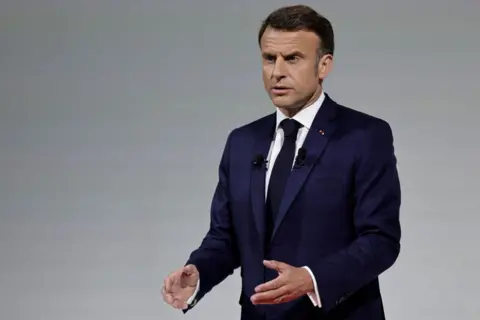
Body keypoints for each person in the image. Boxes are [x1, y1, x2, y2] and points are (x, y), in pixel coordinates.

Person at [162, 4, 401, 319]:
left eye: (293, 59)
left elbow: (380, 240)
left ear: (323, 65)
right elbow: (225, 235)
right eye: (268, 58)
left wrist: (312, 278)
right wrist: (199, 272)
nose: (277, 71)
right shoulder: (242, 142)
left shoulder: (365, 136)